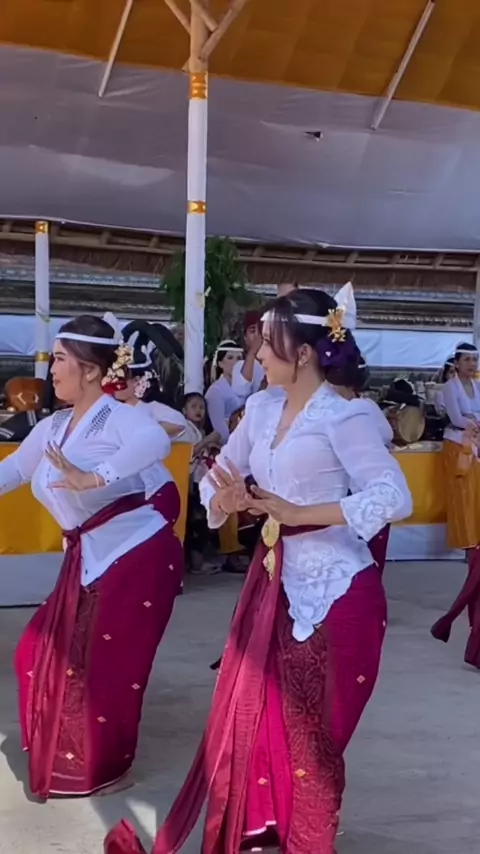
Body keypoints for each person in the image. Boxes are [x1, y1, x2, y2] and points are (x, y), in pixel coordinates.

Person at [105, 288, 412, 854]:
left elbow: (394, 496)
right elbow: (216, 476)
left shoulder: (344, 417)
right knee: (258, 717)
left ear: (304, 353)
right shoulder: (263, 410)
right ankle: (265, 828)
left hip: (338, 590)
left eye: (268, 344)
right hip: (273, 582)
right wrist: (224, 499)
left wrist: (299, 513)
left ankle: (308, 840)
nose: (259, 354)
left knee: (312, 739)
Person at [2, 315, 184, 800]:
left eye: (60, 359)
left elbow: (155, 440)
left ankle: (107, 767)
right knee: (36, 654)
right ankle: (69, 756)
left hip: (136, 553)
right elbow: (15, 470)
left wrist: (94, 476)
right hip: (89, 558)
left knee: (108, 668)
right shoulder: (55, 426)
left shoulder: (117, 416)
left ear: (89, 370)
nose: (51, 369)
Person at [431, 342, 480, 667]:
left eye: (475, 359)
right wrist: (473, 423)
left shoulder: (477, 385)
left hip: (475, 442)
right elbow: (457, 418)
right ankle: (468, 544)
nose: (472, 364)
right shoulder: (450, 388)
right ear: (457, 362)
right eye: (468, 359)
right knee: (464, 496)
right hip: (458, 445)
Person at [113, 341, 187, 439]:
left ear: (137, 381)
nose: (115, 383)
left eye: (121, 379)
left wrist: (141, 433)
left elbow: (179, 424)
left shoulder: (150, 407)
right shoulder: (110, 407)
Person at [205, 340, 244, 445]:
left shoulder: (247, 387)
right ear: (220, 363)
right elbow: (220, 431)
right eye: (230, 358)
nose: (235, 362)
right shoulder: (215, 391)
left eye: (239, 358)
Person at [231, 311, 266, 401]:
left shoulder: (277, 361)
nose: (258, 336)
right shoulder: (240, 366)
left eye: (261, 330)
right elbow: (241, 391)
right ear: (245, 338)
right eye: (253, 331)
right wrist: (252, 352)